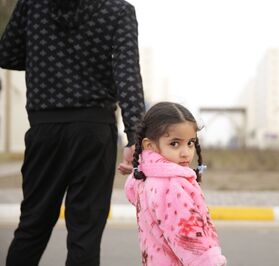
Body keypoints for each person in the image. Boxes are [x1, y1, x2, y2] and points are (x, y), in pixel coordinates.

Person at [0, 0, 145, 265]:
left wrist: (43, 57)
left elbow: (7, 54)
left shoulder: (33, 5)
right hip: (95, 132)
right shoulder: (118, 10)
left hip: (45, 130)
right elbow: (127, 74)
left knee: (32, 226)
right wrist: (135, 134)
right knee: (85, 234)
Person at [124, 102, 227, 266]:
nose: (186, 152)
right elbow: (189, 239)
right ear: (149, 145)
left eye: (190, 143)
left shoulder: (145, 179)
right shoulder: (172, 185)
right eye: (174, 143)